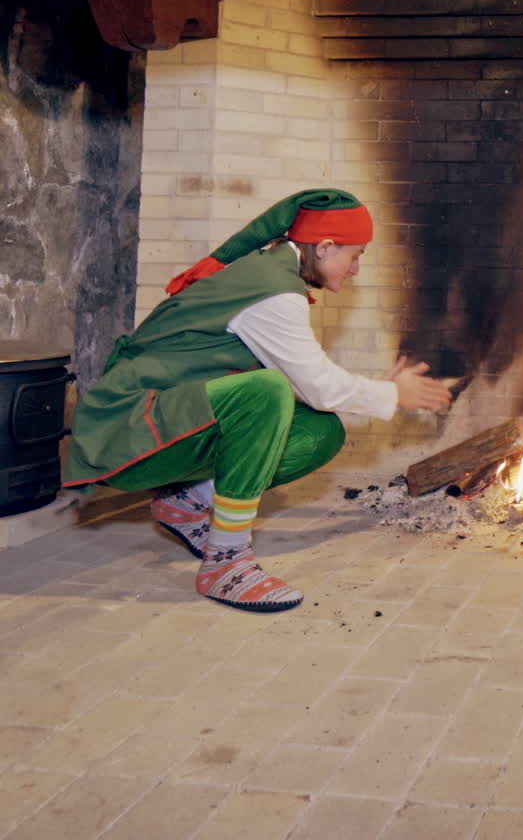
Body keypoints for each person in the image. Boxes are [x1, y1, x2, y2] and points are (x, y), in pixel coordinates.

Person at [63, 189, 452, 613]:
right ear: (324, 247)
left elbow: (311, 386)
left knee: (319, 429)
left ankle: (186, 502)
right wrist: (392, 394)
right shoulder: (274, 293)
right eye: (355, 256)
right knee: (267, 391)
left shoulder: (270, 274)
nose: (356, 269)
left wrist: (378, 392)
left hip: (166, 420)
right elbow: (318, 386)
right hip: (126, 431)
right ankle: (226, 563)